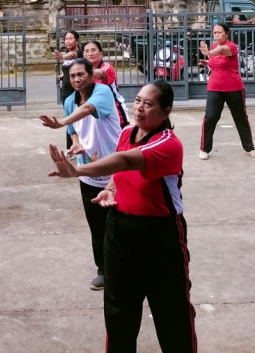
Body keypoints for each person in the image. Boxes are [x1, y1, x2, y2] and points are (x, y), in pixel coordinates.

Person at [47, 80, 196, 353]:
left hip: (160, 237)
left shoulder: (168, 144)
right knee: (118, 313)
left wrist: (77, 171)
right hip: (120, 232)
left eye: (148, 104)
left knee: (172, 313)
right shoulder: (128, 131)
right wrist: (111, 187)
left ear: (166, 111)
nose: (139, 108)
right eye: (137, 100)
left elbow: (127, 160)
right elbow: (121, 169)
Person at [39, 58, 126, 291]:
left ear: (91, 74)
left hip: (115, 171)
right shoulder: (70, 101)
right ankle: (104, 271)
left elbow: (87, 110)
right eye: (72, 76)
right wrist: (76, 142)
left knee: (121, 225)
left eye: (81, 74)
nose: (76, 79)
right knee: (97, 227)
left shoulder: (103, 92)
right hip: (88, 173)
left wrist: (61, 122)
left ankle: (126, 269)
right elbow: (73, 130)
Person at [197, 22, 255, 160]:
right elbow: (218, 63)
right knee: (210, 117)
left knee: (240, 118)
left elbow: (222, 51)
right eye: (214, 33)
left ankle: (249, 148)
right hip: (215, 88)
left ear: (226, 34)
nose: (217, 35)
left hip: (234, 88)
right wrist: (207, 61)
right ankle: (204, 149)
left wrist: (208, 53)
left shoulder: (231, 46)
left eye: (219, 32)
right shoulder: (213, 47)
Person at [83, 40, 129, 126]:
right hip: (95, 113)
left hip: (115, 112)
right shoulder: (82, 73)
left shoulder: (107, 67)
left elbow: (102, 73)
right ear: (83, 55)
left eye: (93, 50)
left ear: (101, 53)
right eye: (87, 51)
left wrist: (82, 73)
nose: (90, 54)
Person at [53, 30, 81, 103]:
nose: (68, 41)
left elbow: (73, 55)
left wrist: (62, 57)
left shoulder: (79, 53)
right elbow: (67, 68)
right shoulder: (67, 54)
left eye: (70, 39)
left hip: (76, 91)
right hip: (66, 91)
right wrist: (63, 75)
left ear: (77, 41)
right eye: (66, 39)